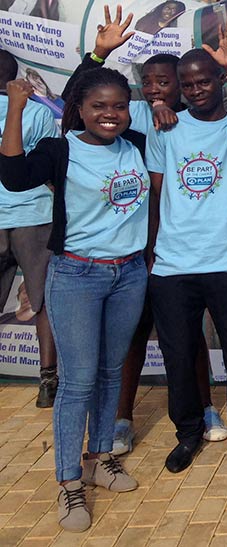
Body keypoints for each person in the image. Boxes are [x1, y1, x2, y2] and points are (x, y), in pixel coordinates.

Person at [61, 6, 227, 455]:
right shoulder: (130, 116)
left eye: (165, 82)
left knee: (190, 336)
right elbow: (73, 104)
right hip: (136, 254)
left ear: (182, 84)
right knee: (134, 337)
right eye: (148, 82)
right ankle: (121, 418)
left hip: (179, 254)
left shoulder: (198, 120)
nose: (155, 88)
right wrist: (97, 55)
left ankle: (206, 407)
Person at [1, 68, 149, 532]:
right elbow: (14, 174)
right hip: (76, 274)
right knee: (78, 382)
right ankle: (69, 484)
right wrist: (18, 108)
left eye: (119, 106)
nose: (110, 114)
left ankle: (99, 458)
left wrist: (162, 108)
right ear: (80, 110)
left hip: (128, 274)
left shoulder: (139, 146)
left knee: (109, 372)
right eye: (99, 106)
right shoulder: (61, 149)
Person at [147, 23, 227, 474]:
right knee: (179, 358)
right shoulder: (165, 128)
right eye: (188, 84)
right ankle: (188, 434)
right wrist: (152, 252)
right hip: (173, 266)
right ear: (179, 88)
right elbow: (158, 195)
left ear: (218, 82)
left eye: (205, 81)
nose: (197, 90)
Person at [0, 50, 59, 408]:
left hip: (26, 215)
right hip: (34, 215)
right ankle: (48, 382)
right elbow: (45, 167)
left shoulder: (34, 111)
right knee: (44, 303)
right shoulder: (37, 112)